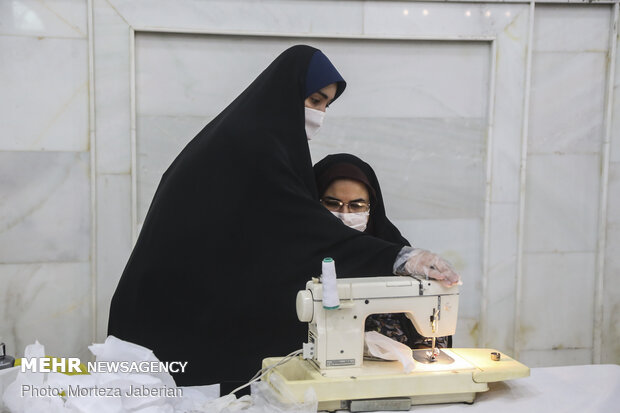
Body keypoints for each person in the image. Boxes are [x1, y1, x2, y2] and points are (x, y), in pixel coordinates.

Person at [108, 45, 459, 394]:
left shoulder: (254, 138)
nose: (319, 113)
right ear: (286, 93)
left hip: (174, 308)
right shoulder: (253, 146)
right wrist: (401, 257)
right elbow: (303, 229)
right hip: (168, 317)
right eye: (316, 100)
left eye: (326, 105)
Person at [314, 153, 452, 349]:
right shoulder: (298, 255)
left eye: (357, 205)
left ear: (372, 208)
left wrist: (425, 346)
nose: (344, 214)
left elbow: (428, 318)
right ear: (313, 204)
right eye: (332, 203)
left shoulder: (396, 252)